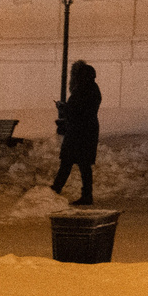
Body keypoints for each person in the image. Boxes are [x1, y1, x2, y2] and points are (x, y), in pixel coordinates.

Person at [52, 60, 102, 206]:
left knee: (68, 162)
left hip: (78, 132)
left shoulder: (82, 90)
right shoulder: (93, 89)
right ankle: (86, 194)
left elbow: (76, 110)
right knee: (83, 165)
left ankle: (57, 189)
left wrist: (63, 108)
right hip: (88, 131)